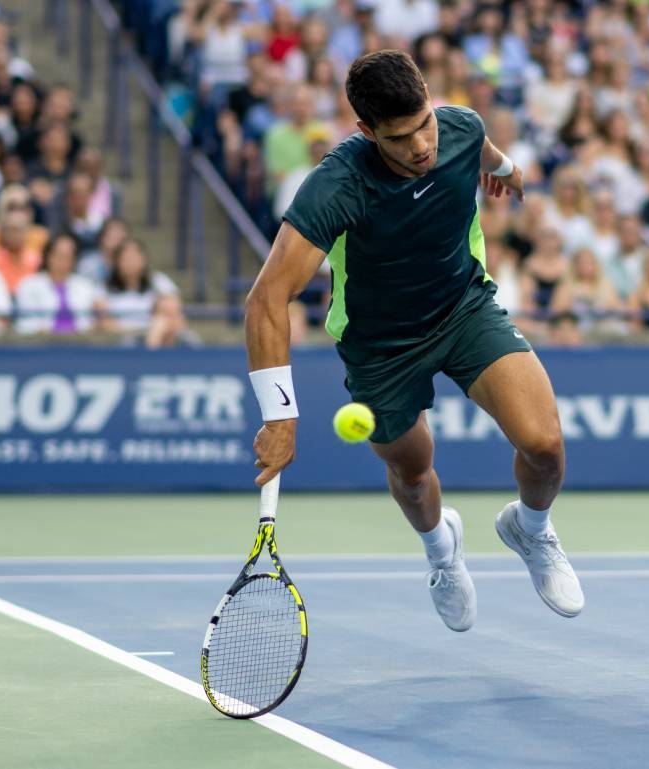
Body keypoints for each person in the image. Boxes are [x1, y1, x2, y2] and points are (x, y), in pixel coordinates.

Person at [246, 50, 583, 633]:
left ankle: (529, 530)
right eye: (401, 137)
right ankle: (441, 551)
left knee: (545, 443)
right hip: (381, 346)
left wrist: (504, 170)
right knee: (412, 468)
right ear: (367, 131)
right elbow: (266, 298)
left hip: (462, 307)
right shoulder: (337, 186)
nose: (423, 145)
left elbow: (479, 147)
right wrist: (279, 418)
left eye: (426, 122)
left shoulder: (458, 126)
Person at [15, 232, 99, 335]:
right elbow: (25, 325)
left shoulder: (85, 286)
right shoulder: (29, 285)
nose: (63, 261)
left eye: (69, 257)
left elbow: (92, 323)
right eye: (59, 255)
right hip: (43, 345)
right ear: (47, 256)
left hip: (80, 345)